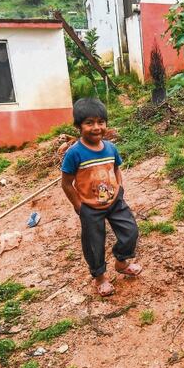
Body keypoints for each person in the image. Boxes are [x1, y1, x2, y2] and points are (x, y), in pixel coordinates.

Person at [61, 97, 142, 296]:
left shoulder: (111, 148)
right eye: (89, 123)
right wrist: (79, 205)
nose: (96, 127)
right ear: (78, 126)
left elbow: (116, 168)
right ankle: (100, 277)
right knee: (94, 244)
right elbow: (66, 183)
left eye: (101, 122)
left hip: (114, 201)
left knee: (130, 231)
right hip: (89, 207)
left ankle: (121, 262)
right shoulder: (74, 154)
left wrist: (119, 188)